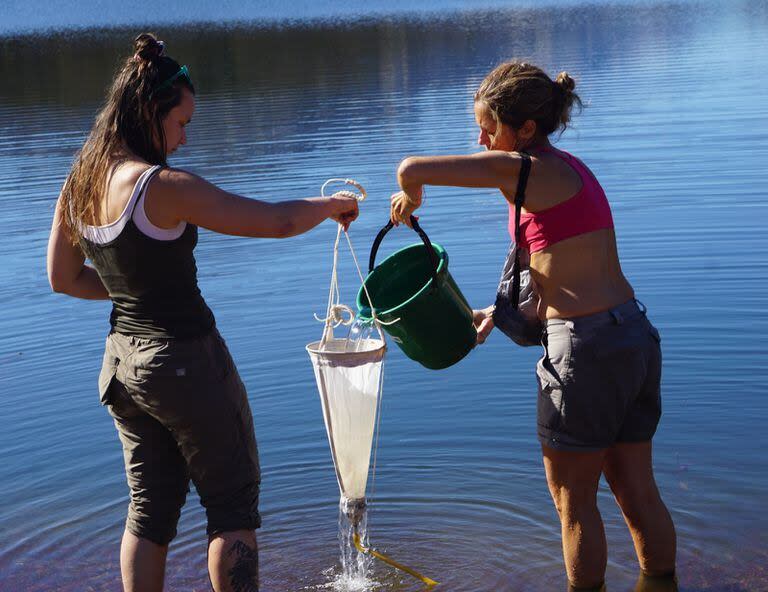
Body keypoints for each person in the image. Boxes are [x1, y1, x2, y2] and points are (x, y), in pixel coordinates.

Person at [46, 33, 358, 592]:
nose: (184, 139)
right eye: (181, 123)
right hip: (187, 363)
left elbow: (63, 279)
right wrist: (331, 206)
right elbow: (275, 221)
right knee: (232, 508)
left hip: (122, 368)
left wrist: (133, 294)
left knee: (149, 512)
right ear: (149, 111)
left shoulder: (79, 181)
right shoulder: (160, 187)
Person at [390, 61, 676, 590]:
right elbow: (564, 273)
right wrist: (493, 315)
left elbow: (411, 168)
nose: (480, 140)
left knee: (574, 506)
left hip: (586, 353)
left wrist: (412, 197)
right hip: (632, 334)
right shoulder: (572, 169)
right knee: (638, 491)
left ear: (525, 130)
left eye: (489, 128)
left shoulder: (522, 169)